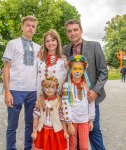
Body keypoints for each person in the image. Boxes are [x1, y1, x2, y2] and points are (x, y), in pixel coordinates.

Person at [63, 19, 108, 150]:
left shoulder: (94, 46)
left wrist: (95, 91)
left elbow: (103, 71)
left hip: (90, 98)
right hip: (73, 101)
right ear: (67, 34)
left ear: (81, 30)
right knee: (74, 135)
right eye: (69, 31)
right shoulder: (65, 50)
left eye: (75, 30)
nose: (73, 33)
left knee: (93, 130)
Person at [2, 15, 41, 150]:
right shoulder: (12, 44)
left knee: (30, 124)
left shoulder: (38, 48)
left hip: (32, 92)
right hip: (15, 90)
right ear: (22, 27)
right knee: (12, 125)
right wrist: (7, 92)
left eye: (33, 26)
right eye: (28, 25)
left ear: (35, 29)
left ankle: (28, 148)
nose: (30, 28)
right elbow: (6, 68)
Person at [62, 55, 95, 150]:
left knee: (84, 146)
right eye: (74, 68)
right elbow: (65, 105)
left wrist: (91, 120)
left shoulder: (87, 85)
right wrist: (69, 123)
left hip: (84, 120)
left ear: (84, 70)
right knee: (72, 145)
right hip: (72, 121)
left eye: (80, 69)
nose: (77, 71)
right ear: (70, 69)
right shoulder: (66, 85)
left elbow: (91, 103)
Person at [31, 76, 69, 150]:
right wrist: (34, 132)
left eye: (52, 87)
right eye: (47, 87)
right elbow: (36, 117)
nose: (50, 90)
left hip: (56, 131)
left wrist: (65, 131)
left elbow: (62, 118)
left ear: (56, 89)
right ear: (43, 89)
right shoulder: (39, 102)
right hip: (43, 131)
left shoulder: (59, 101)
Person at [37, 30, 68, 97]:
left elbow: (66, 78)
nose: (50, 43)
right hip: (41, 96)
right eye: (47, 41)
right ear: (45, 44)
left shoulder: (63, 60)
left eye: (53, 40)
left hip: (57, 96)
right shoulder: (40, 58)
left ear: (57, 42)